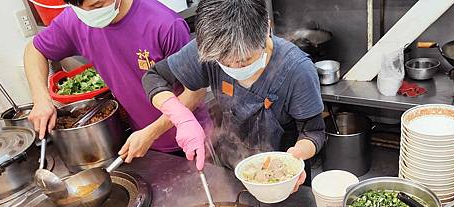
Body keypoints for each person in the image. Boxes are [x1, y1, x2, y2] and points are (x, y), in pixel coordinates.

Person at [142, 0, 325, 187]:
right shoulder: (212, 47)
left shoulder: (298, 69)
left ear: (266, 29)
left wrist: (295, 157)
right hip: (231, 172)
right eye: (224, 62)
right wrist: (182, 118)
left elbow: (314, 132)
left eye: (244, 60)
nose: (234, 68)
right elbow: (154, 77)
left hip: (284, 181)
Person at [24, 0, 210, 163]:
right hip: (141, 141)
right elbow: (34, 50)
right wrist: (41, 99)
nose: (90, 14)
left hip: (190, 137)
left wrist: (152, 132)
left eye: (97, 5)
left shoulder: (164, 24)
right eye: (81, 8)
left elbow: (195, 92)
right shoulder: (75, 19)